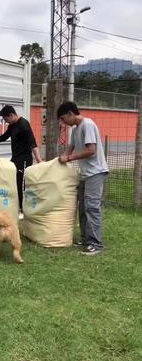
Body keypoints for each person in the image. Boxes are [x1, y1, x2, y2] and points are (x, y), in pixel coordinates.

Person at [57, 101, 109, 256]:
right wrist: (62, 158)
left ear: (70, 113)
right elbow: (69, 149)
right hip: (85, 173)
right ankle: (86, 239)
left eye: (63, 118)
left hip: (96, 173)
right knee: (82, 207)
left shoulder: (88, 125)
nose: (63, 122)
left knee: (92, 207)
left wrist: (70, 158)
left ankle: (96, 244)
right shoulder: (75, 130)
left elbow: (91, 150)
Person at [0, 105, 42, 216]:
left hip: (24, 159)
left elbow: (33, 143)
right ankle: (18, 207)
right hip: (15, 159)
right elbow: (3, 137)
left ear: (11, 115)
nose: (6, 122)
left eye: (6, 119)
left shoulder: (24, 124)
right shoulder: (12, 125)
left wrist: (39, 160)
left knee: (21, 184)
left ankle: (24, 210)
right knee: (14, 182)